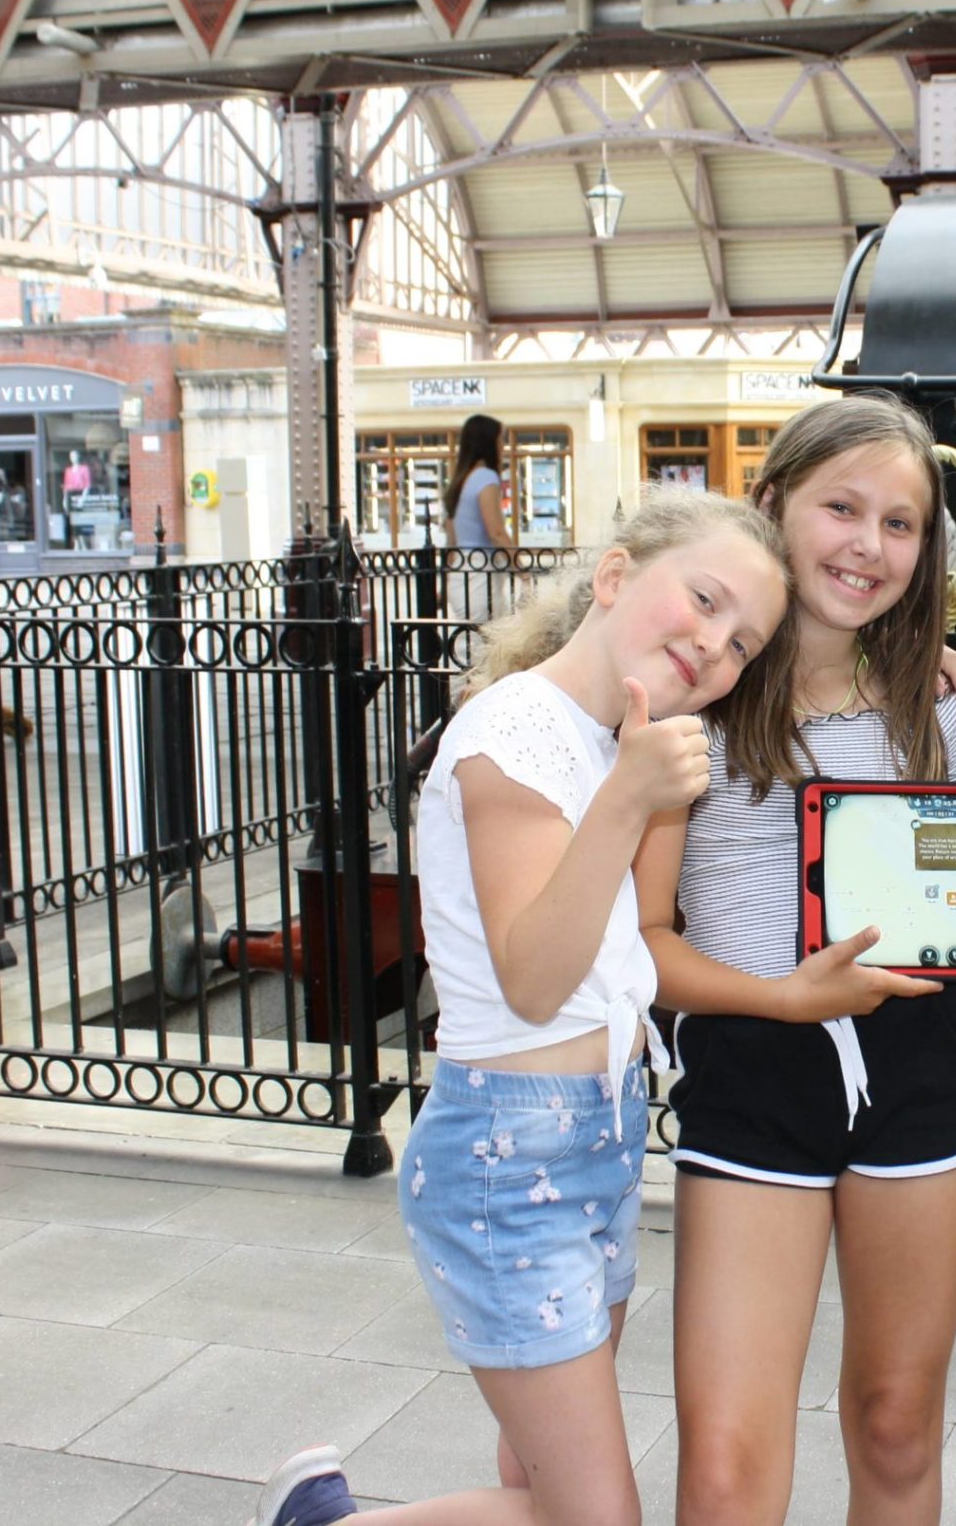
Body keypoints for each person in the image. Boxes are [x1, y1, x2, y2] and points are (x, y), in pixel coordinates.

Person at [251, 486, 790, 1526]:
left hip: (599, 1136)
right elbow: (535, 980)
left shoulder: (613, 738)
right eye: (705, 600)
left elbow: (635, 939)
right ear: (618, 575)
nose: (714, 646)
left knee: (538, 1482)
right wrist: (632, 795)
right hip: (510, 1151)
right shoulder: (515, 733)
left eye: (742, 645)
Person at [633, 394, 956, 1526]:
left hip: (925, 1066)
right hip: (753, 1061)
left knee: (896, 1422)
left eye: (901, 524)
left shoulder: (940, 711)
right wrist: (783, 998)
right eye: (841, 508)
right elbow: (644, 946)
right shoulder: (690, 702)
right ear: (773, 506)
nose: (869, 545)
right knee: (727, 1468)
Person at [447, 414, 516, 552]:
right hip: (482, 565)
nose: (503, 447)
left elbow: (451, 541)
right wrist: (521, 569)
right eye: (501, 440)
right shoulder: (485, 477)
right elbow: (496, 533)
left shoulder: (461, 480)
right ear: (489, 443)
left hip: (462, 564)